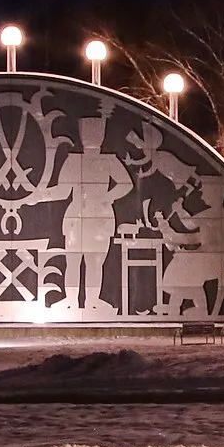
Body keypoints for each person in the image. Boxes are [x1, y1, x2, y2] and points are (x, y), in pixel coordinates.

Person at [55, 116, 135, 311]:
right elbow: (62, 190)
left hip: (99, 218)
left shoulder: (108, 160)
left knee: (94, 262)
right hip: (78, 217)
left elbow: (126, 184)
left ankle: (91, 301)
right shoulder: (74, 160)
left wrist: (106, 198)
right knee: (74, 261)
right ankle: (72, 300)